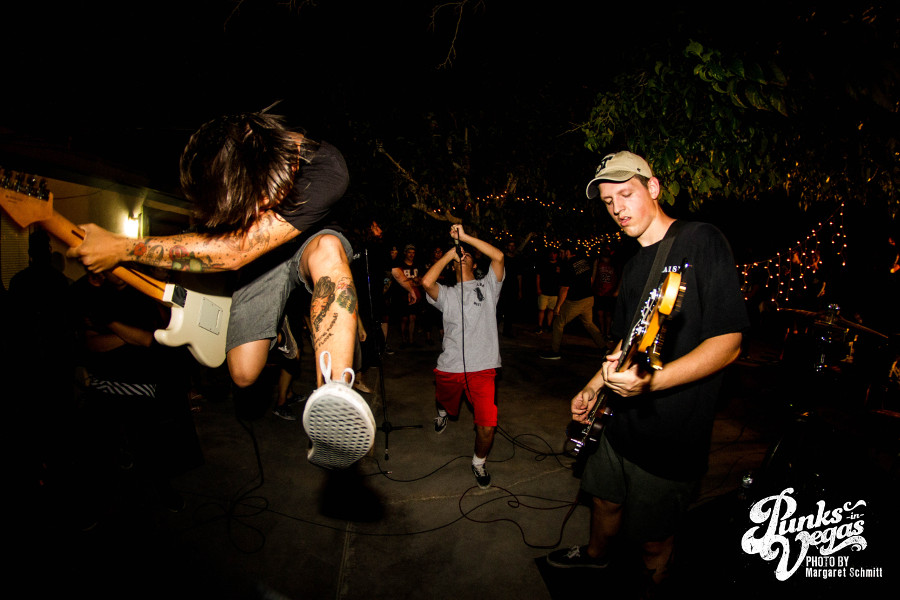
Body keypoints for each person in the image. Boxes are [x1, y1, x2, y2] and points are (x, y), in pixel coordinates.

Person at [67, 110, 374, 467]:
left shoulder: (328, 168)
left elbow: (235, 252)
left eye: (261, 197)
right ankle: (280, 329)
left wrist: (123, 247)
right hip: (259, 260)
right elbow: (233, 249)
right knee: (243, 373)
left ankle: (335, 396)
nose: (260, 207)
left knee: (328, 251)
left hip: (307, 241)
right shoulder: (239, 160)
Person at [545, 152, 748, 596]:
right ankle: (596, 557)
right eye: (608, 201)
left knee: (654, 539)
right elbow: (625, 340)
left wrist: (652, 382)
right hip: (617, 422)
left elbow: (729, 342)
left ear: (653, 188)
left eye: (626, 193)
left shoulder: (701, 239)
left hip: (672, 431)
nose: (617, 208)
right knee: (603, 498)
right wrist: (593, 387)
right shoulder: (634, 264)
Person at [421, 225, 505, 489]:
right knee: (444, 399)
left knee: (487, 425)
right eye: (459, 255)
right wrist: (451, 252)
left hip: (483, 368)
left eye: (467, 254)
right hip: (451, 366)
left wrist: (464, 238)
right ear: (451, 265)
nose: (463, 255)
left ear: (474, 262)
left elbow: (499, 257)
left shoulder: (488, 286)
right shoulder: (446, 294)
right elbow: (426, 283)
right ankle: (442, 412)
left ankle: (478, 463)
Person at [538, 243, 606, 360]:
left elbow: (564, 289)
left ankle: (555, 351)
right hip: (589, 298)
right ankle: (604, 348)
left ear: (568, 252)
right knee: (589, 323)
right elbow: (591, 279)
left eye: (561, 252)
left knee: (558, 323)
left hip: (576, 301)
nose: (559, 255)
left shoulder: (567, 265)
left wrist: (558, 306)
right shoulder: (583, 261)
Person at [390, 243, 424, 347]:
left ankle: (411, 340)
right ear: (405, 253)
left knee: (413, 317)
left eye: (413, 253)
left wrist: (416, 281)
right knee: (404, 319)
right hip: (403, 295)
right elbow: (398, 280)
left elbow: (421, 280)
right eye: (409, 252)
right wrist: (410, 282)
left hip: (415, 295)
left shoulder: (417, 265)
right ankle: (404, 339)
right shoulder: (400, 265)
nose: (411, 254)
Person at [591, 248, 620, 344]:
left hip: (609, 293)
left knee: (608, 314)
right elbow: (594, 276)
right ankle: (602, 332)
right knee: (600, 313)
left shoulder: (614, 264)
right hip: (599, 292)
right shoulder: (598, 263)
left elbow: (617, 278)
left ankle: (607, 333)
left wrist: (616, 290)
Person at [534, 247, 561, 334]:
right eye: (551, 253)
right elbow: (538, 276)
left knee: (551, 310)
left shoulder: (559, 265)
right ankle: (539, 326)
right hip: (544, 291)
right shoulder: (543, 264)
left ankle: (549, 326)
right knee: (542, 309)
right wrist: (538, 288)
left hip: (554, 292)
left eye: (554, 253)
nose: (553, 255)